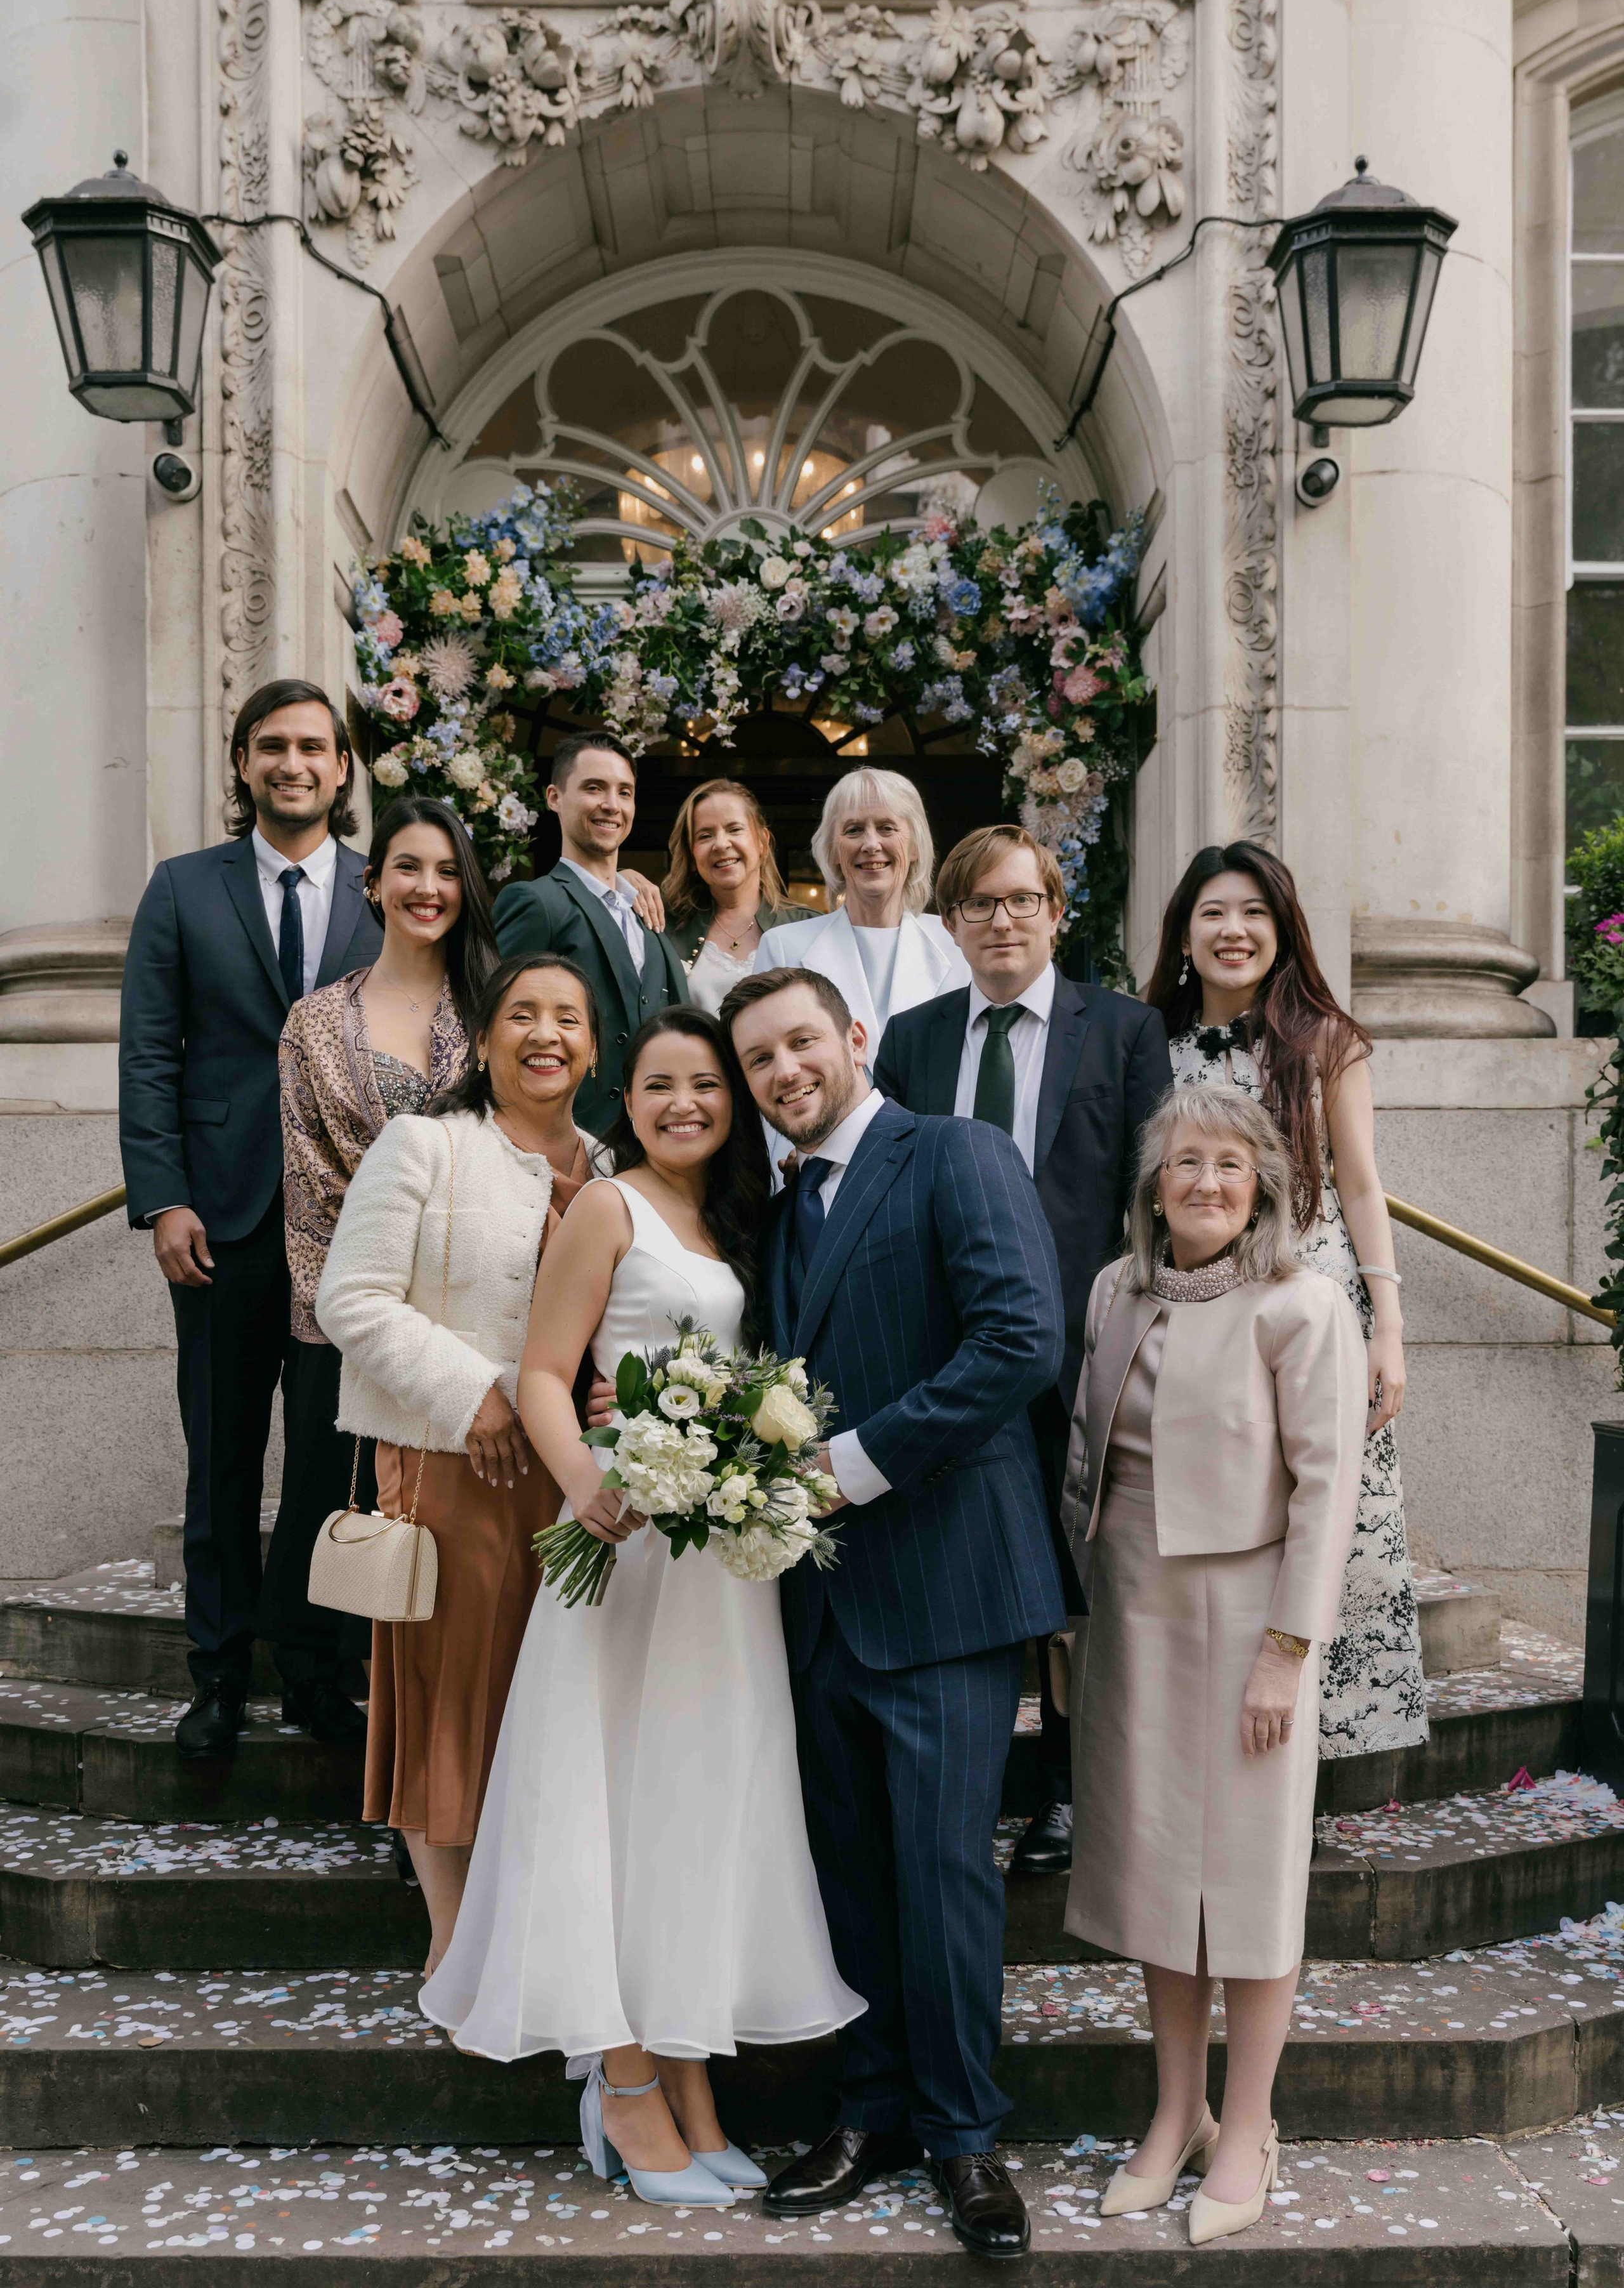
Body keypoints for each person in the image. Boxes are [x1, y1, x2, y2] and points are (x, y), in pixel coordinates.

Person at [421, 1005, 863, 2210]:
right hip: (623, 1555)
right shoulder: (606, 1206)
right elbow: (546, 1376)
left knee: (692, 1817)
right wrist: (588, 1486)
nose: (686, 1103)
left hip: (717, 1571)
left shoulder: (738, 1220)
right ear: (633, 1096)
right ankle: (620, 2082)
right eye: (663, 1084)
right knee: (610, 1808)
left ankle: (693, 2081)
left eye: (707, 1085)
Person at [722, 963, 1065, 2263]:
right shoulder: (776, 1205)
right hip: (819, 1604)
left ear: (853, 1036)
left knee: (939, 1877)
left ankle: (965, 2137)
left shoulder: (955, 1155)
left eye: (799, 1043)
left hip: (947, 1584)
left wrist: (848, 1464)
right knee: (851, 1879)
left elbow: (1016, 1341)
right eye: (758, 1060)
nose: (781, 1072)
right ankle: (867, 2114)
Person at [1059, 1086, 1363, 2245]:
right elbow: (1085, 1455)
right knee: (1151, 1874)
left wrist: (1290, 1650)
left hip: (1251, 1612)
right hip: (1129, 1603)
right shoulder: (1114, 1289)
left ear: (1264, 1186)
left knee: (1244, 1873)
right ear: (1153, 1183)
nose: (1207, 1183)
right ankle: (1175, 2110)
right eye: (1186, 1163)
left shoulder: (1302, 1303)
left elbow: (1327, 1487)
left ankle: (1248, 2124)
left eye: (1231, 1166)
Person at [874, 825, 1171, 1877]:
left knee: (1073, 1591)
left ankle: (1064, 1795)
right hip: (942, 1358)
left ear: (1056, 912)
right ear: (949, 925)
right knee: (963, 1572)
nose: (1002, 921)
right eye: (978, 905)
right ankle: (958, 1786)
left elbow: (1153, 1197)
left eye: (1021, 901)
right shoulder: (910, 1038)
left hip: (1080, 1357)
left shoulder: (1126, 1033)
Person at [314, 955, 608, 1974]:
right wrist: (471, 1391)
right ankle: (453, 1946)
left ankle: (533, 1927)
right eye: (520, 1015)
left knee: (548, 1697)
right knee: (452, 1697)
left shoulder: (615, 1168)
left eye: (567, 1018)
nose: (545, 1034)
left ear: (594, 1047)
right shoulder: (426, 1146)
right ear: (481, 1043)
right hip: (452, 1463)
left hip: (576, 1479)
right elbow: (348, 1300)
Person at [119, 678, 381, 1759]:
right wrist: (163, 1197)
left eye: (315, 748)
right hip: (221, 1225)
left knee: (330, 1465)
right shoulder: (182, 889)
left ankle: (316, 1671)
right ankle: (218, 1677)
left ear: (342, 766)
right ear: (241, 763)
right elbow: (147, 1054)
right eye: (272, 746)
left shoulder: (386, 891)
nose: (294, 764)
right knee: (222, 1461)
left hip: (353, 1235)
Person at [1144, 840, 1426, 1759]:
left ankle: (1320, 1739)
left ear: (1283, 931)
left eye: (1254, 914)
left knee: (1327, 1507)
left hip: (1313, 1304)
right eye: (1214, 913)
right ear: (1184, 933)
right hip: (1191, 1308)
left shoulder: (1326, 1043)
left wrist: (1388, 1325)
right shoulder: (1144, 1041)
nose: (1234, 931)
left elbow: (1360, 1186)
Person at [273, 797, 497, 1733]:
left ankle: (425, 1685)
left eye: (447, 871)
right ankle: (315, 1678)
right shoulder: (317, 1023)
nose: (428, 887)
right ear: (374, 882)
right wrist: (354, 1305)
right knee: (329, 1488)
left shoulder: (497, 1009)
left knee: (449, 1506)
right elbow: (310, 1170)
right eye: (409, 867)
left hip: (477, 1299)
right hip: (349, 1299)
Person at [492, 733, 688, 1134]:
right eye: (594, 788)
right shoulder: (536, 901)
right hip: (568, 1141)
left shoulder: (646, 911)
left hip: (659, 1140)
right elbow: (496, 1027)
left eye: (625, 792)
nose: (612, 805)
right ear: (554, 797)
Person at [750, 767, 968, 1052]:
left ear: (914, 846)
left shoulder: (960, 942)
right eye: (854, 830)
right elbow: (763, 1052)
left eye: (887, 828)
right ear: (833, 851)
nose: (871, 844)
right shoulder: (782, 948)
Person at [662, 777, 816, 1014]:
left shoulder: (808, 926)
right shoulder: (664, 928)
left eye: (735, 829)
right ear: (692, 857)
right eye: (705, 836)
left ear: (762, 842)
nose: (721, 844)